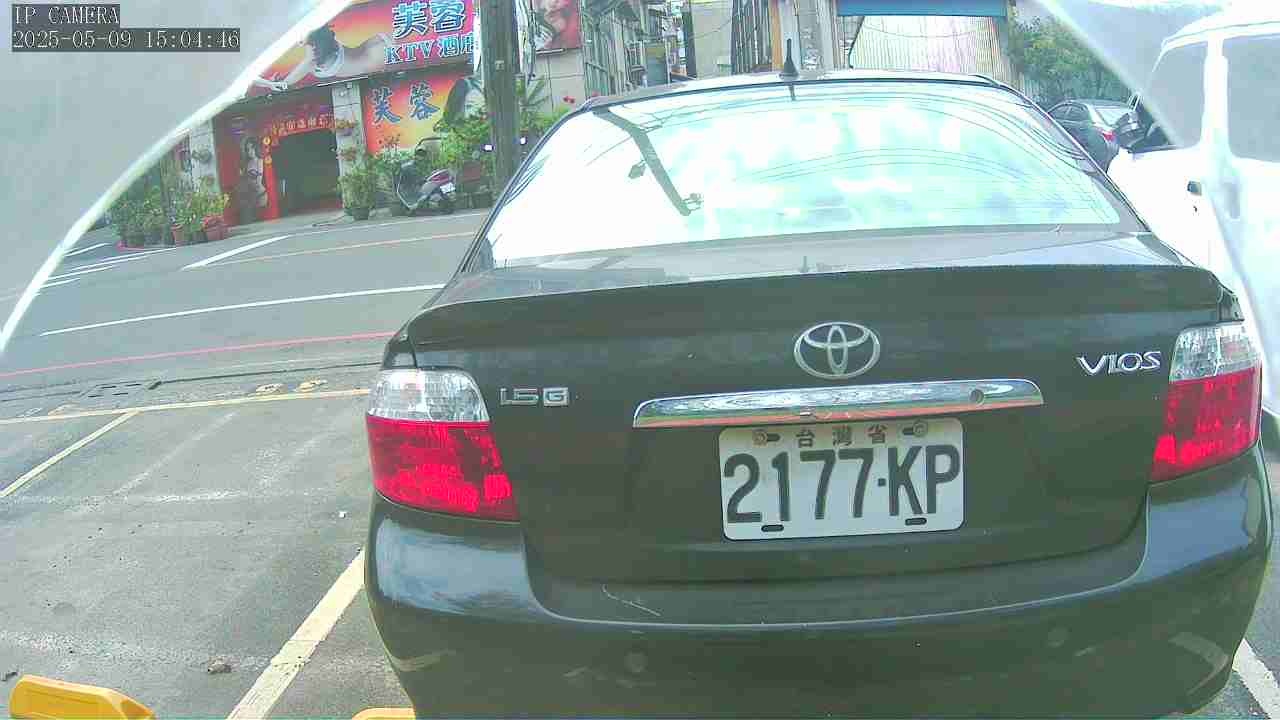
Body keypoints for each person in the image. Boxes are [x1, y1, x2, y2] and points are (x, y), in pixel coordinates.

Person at [254, 26, 392, 93]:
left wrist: (271, 83)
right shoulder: (322, 46)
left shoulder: (312, 59)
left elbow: (285, 83)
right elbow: (289, 78)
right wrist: (272, 81)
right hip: (376, 45)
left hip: (376, 56)